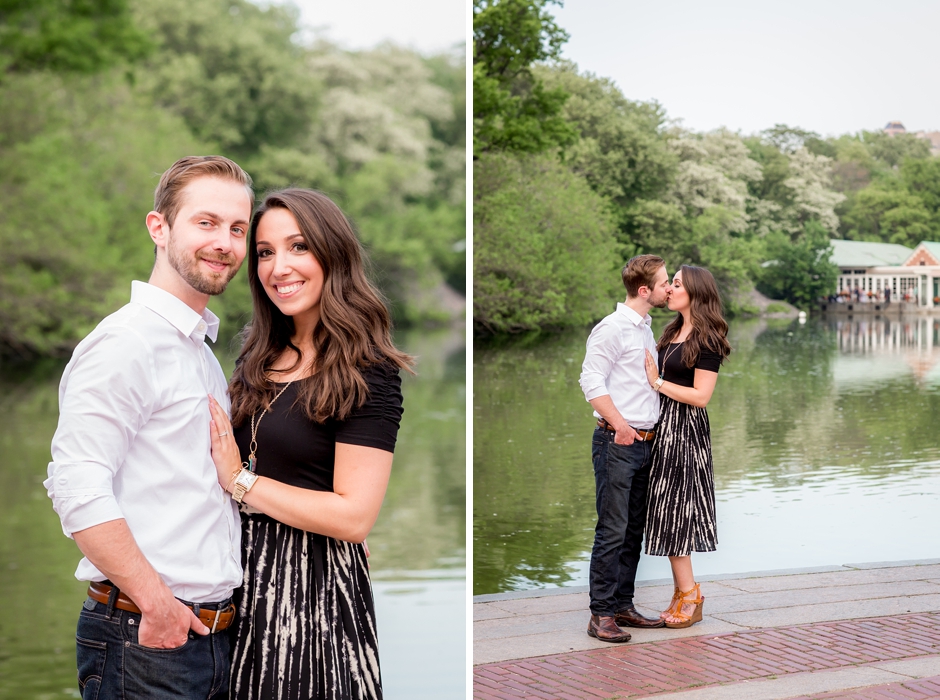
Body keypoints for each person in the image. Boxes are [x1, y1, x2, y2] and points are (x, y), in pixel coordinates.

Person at [44, 156, 254, 699]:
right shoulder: (128, 343)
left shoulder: (197, 350)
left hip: (209, 638)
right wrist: (157, 604)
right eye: (205, 223)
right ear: (158, 228)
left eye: (237, 228)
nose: (224, 243)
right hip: (145, 638)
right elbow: (75, 486)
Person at [206, 188, 413, 699]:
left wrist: (239, 480)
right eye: (265, 252)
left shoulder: (369, 369)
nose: (279, 267)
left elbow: (354, 517)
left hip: (311, 595)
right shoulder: (255, 355)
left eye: (299, 247)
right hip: (235, 585)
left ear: (332, 255)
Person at [578, 254, 673, 643]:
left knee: (633, 529)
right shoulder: (612, 328)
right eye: (666, 282)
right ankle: (600, 614)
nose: (670, 288)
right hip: (617, 441)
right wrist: (619, 425)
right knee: (612, 530)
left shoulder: (646, 328)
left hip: (644, 443)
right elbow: (590, 382)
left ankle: (622, 605)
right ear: (645, 290)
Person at [642, 265, 731, 629]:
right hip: (661, 427)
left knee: (677, 512)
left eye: (676, 284)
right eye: (670, 284)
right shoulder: (672, 330)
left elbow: (701, 396)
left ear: (694, 292)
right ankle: (682, 592)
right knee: (664, 513)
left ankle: (691, 595)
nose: (670, 289)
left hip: (685, 431)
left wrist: (657, 382)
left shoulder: (708, 339)